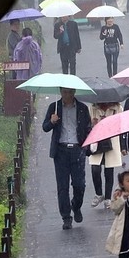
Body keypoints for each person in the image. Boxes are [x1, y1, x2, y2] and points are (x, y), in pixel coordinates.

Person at [42, 87, 91, 230]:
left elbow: (88, 129)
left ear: (74, 92)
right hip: (61, 150)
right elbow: (45, 127)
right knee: (62, 186)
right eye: (64, 92)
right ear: (60, 92)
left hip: (77, 150)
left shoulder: (82, 108)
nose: (67, 95)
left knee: (79, 185)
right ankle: (66, 217)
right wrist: (52, 122)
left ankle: (76, 205)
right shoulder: (54, 107)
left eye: (70, 92)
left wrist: (90, 132)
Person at [88, 100, 125, 207]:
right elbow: (87, 124)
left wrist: (107, 123)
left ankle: (108, 198)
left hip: (111, 141)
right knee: (95, 168)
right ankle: (99, 194)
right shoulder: (92, 108)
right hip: (96, 141)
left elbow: (121, 127)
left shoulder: (118, 108)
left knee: (109, 169)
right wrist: (93, 124)